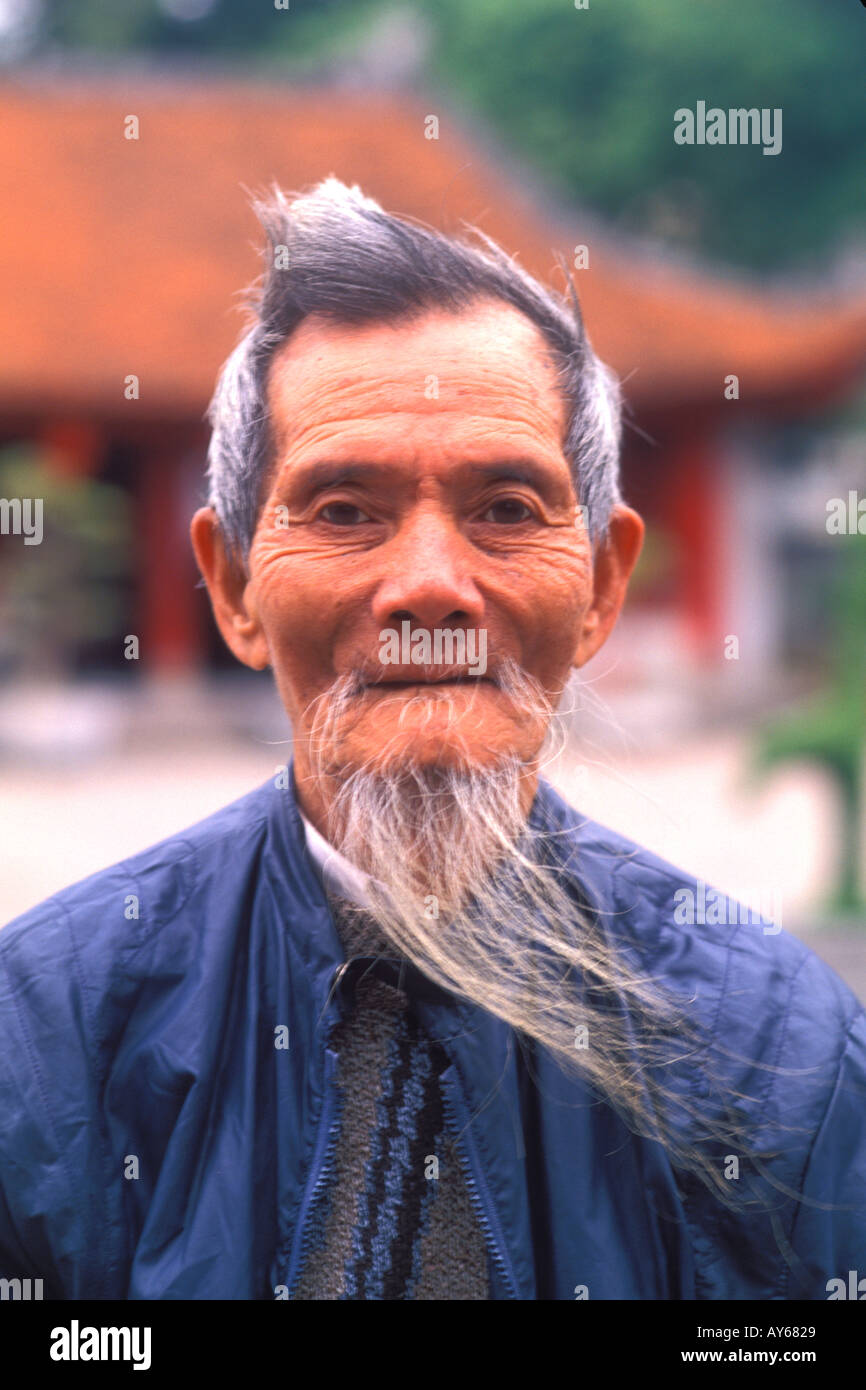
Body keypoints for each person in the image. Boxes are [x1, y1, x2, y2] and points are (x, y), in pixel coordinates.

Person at [1, 177, 863, 1300]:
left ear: (601, 583)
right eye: (345, 509)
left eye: (506, 508)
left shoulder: (778, 1046)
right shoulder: (44, 1034)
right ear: (232, 586)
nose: (426, 586)